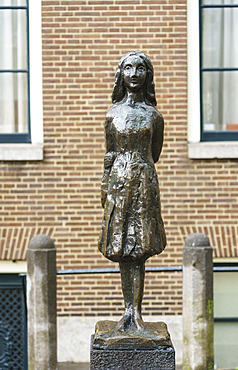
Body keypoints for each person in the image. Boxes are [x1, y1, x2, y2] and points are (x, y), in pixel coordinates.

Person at [99, 51, 166, 332]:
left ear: (147, 75)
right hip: (118, 181)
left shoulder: (154, 116)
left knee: (140, 248)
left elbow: (155, 153)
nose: (134, 74)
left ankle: (135, 313)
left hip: (143, 182)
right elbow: (110, 152)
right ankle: (127, 311)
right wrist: (106, 185)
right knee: (123, 248)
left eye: (140, 68)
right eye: (128, 68)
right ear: (121, 75)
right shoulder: (112, 114)